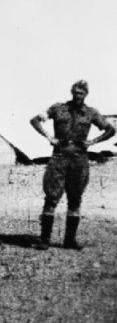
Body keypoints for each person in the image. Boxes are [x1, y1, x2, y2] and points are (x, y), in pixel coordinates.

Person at [30, 80, 115, 250]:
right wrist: (49, 137)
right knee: (51, 197)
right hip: (59, 157)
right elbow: (35, 120)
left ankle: (69, 240)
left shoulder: (91, 113)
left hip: (80, 159)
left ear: (86, 95)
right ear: (71, 92)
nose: (77, 96)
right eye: (75, 92)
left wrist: (93, 141)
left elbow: (111, 130)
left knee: (75, 199)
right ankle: (44, 239)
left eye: (81, 93)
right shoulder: (58, 108)